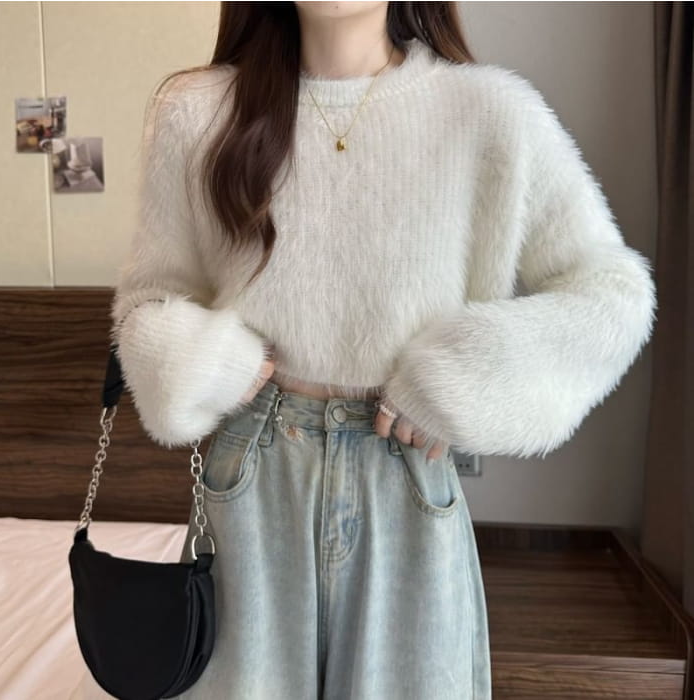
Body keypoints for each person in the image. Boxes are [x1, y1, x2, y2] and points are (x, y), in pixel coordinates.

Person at [109, 2, 657, 698]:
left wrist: (456, 379)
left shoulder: (488, 110)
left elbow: (612, 294)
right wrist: (211, 364)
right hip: (252, 484)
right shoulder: (197, 112)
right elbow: (150, 302)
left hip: (405, 483)